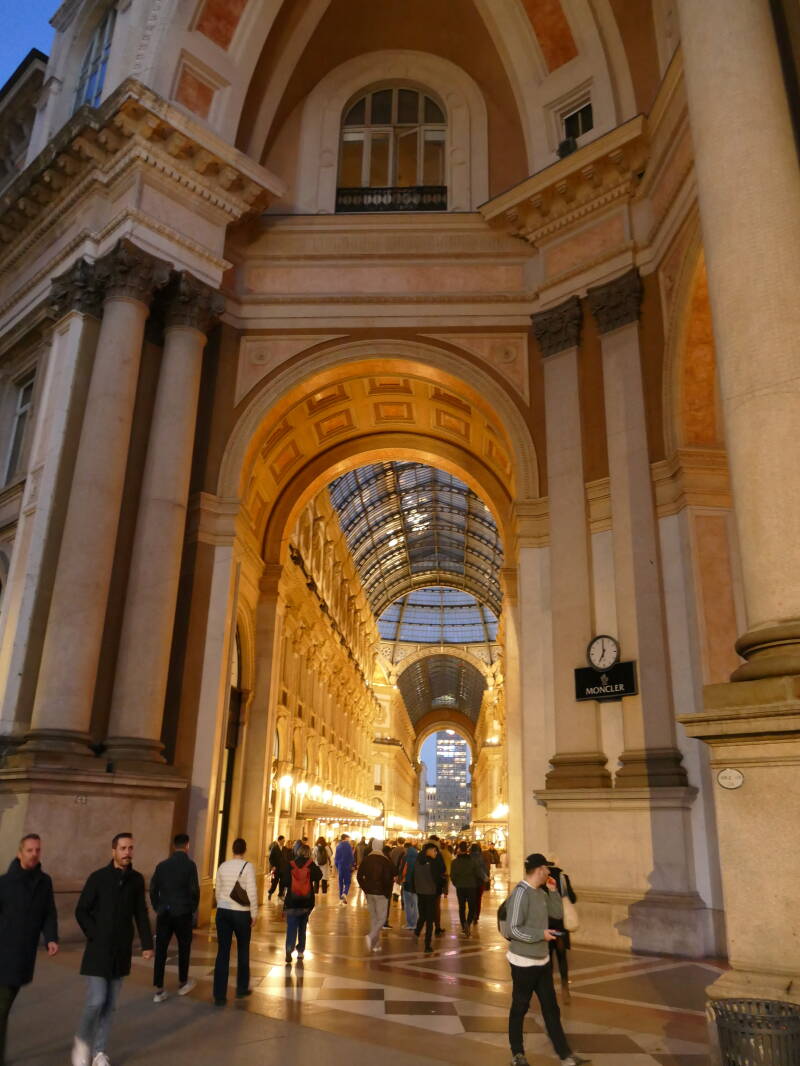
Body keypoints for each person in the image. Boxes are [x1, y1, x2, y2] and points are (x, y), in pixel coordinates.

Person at [72, 832, 153, 1066]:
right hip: (98, 950)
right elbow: (81, 910)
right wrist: (95, 934)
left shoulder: (137, 880)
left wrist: (147, 944)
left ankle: (99, 1052)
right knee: (96, 1000)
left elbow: (140, 913)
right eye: (123, 848)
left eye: (131, 848)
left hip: (121, 950)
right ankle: (82, 1043)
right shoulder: (98, 878)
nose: (128, 852)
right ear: (113, 851)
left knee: (110, 1004)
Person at [503, 853, 589, 1066]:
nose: (549, 872)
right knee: (520, 1006)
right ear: (539, 869)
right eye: (547, 869)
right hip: (523, 961)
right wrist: (540, 935)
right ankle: (517, 1054)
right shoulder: (521, 893)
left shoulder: (541, 892)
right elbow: (513, 929)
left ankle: (565, 1055)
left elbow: (557, 914)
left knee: (551, 1008)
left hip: (542, 960)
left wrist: (553, 893)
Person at [0, 833, 58, 1066]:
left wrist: (51, 938)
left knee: (7, 1001)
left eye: (37, 850)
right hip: (3, 952)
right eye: (29, 850)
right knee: (2, 1008)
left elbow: (49, 913)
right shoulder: (4, 883)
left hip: (24, 955)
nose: (34, 854)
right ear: (19, 852)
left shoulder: (45, 882)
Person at [150, 832, 200, 1003]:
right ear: (187, 845)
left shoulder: (162, 865)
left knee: (161, 950)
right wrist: (192, 908)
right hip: (183, 913)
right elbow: (194, 890)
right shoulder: (190, 865)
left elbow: (153, 888)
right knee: (184, 947)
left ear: (173, 846)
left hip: (164, 912)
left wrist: (157, 906)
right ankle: (182, 982)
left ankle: (158, 989)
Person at [212, 837, 257, 1006]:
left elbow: (218, 889)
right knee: (243, 950)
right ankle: (241, 988)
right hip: (241, 913)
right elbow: (251, 891)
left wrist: (220, 905)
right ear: (244, 850)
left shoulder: (223, 866)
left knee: (222, 952)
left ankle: (219, 995)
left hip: (223, 911)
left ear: (233, 850)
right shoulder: (248, 867)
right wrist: (254, 914)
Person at [281, 843, 321, 964]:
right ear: (308, 853)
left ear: (297, 852)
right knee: (302, 928)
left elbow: (285, 881)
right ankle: (300, 952)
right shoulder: (311, 865)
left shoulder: (290, 864)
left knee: (291, 927)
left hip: (292, 902)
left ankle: (289, 949)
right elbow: (319, 875)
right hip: (306, 903)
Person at [546, 860, 577, 1004]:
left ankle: (549, 989)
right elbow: (573, 898)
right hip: (560, 928)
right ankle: (565, 988)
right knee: (562, 957)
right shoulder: (564, 878)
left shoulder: (543, 880)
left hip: (547, 925)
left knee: (548, 958)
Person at [357, 839, 395, 952]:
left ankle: (376, 944)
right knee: (382, 918)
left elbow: (359, 876)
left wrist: (365, 888)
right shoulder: (385, 860)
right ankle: (371, 936)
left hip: (369, 893)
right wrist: (386, 891)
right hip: (381, 893)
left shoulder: (367, 859)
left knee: (374, 918)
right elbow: (390, 876)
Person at [413, 843, 444, 954]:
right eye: (434, 851)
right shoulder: (432, 862)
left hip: (420, 892)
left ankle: (416, 932)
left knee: (423, 915)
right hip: (431, 893)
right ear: (429, 850)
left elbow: (413, 876)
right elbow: (437, 878)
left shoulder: (417, 861)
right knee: (430, 919)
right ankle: (427, 945)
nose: (435, 853)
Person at [450, 841, 480, 936]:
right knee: (472, 907)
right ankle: (468, 923)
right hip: (471, 886)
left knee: (462, 907)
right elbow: (477, 873)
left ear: (459, 849)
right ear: (467, 850)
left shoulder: (454, 862)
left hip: (460, 887)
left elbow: (452, 876)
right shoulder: (472, 861)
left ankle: (463, 926)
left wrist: (456, 884)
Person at [424, 836, 448, 935]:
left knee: (426, 907)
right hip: (435, 884)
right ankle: (437, 928)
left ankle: (427, 929)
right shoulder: (438, 853)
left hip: (424, 884)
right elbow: (443, 868)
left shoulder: (423, 852)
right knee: (436, 907)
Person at [400, 841, 419, 931]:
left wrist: (401, 879)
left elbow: (403, 871)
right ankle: (415, 924)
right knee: (416, 905)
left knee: (408, 905)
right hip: (416, 886)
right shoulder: (419, 857)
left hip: (407, 884)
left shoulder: (405, 857)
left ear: (406, 848)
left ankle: (409, 923)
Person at [470, 842, 490, 923]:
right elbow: (484, 869)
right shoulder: (481, 857)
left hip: (471, 882)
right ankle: (476, 916)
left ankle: (472, 914)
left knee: (471, 899)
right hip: (480, 882)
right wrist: (485, 877)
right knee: (478, 900)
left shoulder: (469, 857)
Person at [334, 834, 355, 904]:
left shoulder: (338, 846)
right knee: (347, 881)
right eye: (348, 838)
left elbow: (336, 859)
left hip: (340, 866)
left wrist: (337, 866)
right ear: (345, 838)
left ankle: (340, 896)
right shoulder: (348, 846)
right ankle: (345, 893)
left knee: (340, 881)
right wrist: (352, 865)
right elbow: (351, 857)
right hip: (347, 866)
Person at [267, 836, 285, 900]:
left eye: (284, 840)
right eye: (283, 840)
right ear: (279, 840)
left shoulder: (284, 848)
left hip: (283, 869)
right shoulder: (274, 848)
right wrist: (273, 866)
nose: (283, 842)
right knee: (274, 882)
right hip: (276, 868)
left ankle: (280, 895)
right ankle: (270, 893)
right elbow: (270, 858)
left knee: (282, 883)